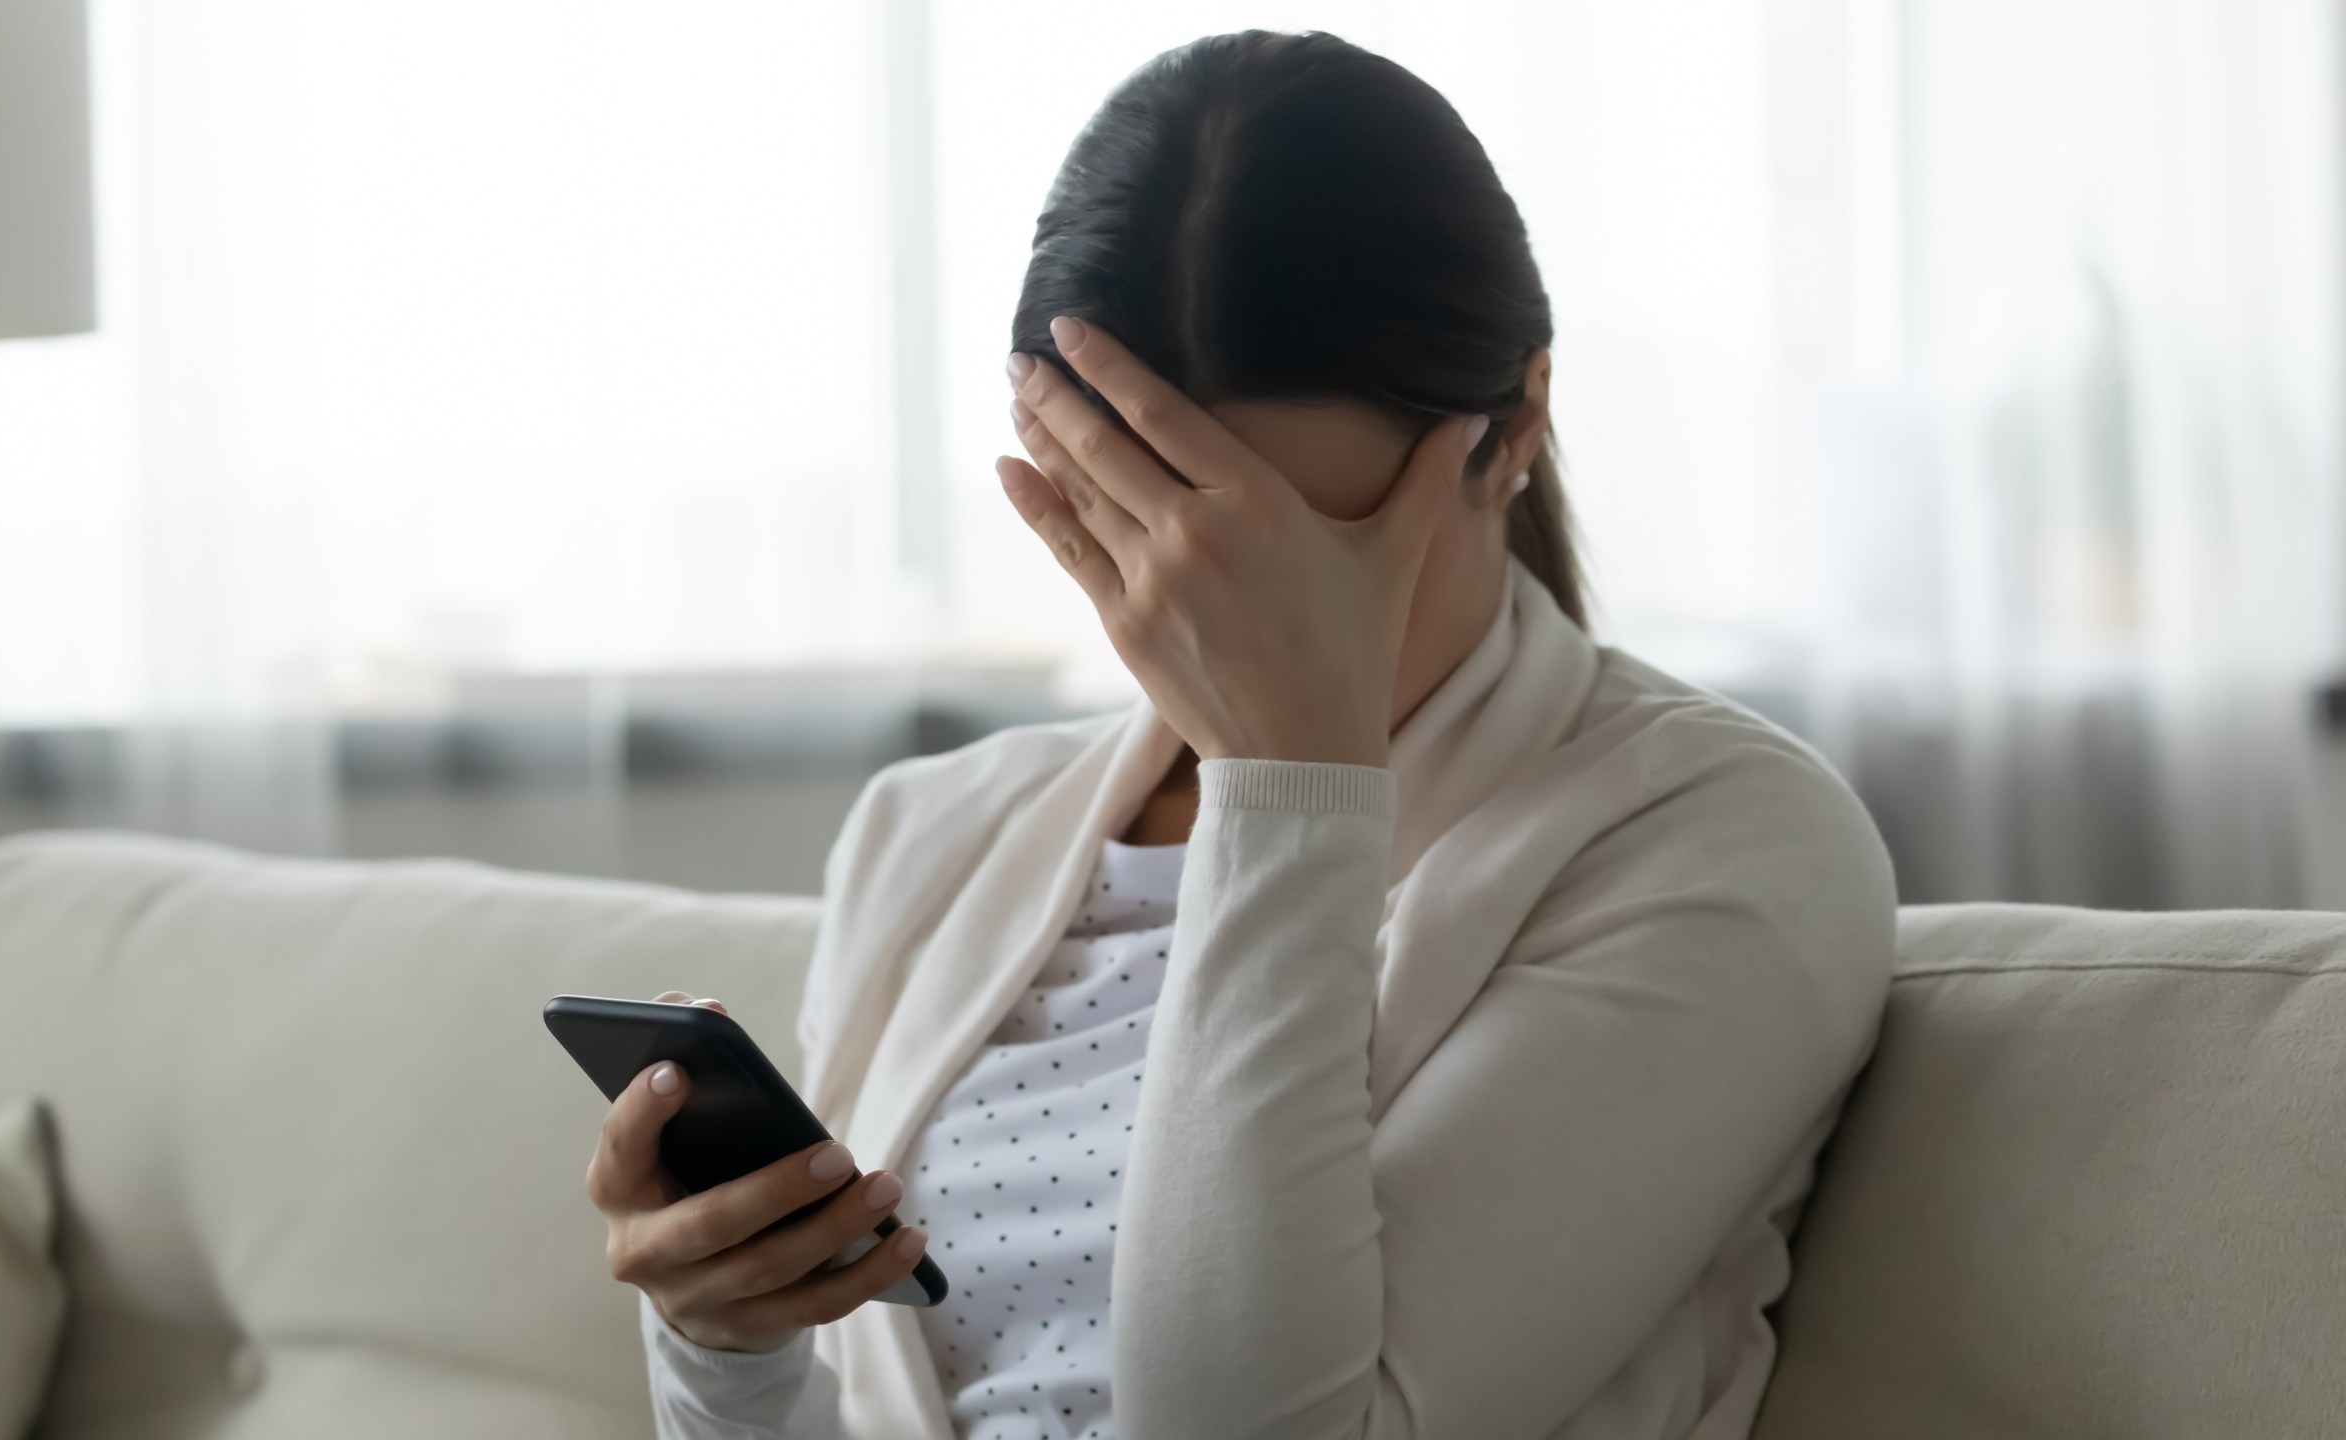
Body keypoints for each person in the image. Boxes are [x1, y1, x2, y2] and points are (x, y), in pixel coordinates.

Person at [585, 29, 1895, 1440]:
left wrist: (1293, 789)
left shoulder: (1724, 837)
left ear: (1512, 425)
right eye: (1154, 516)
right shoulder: (932, 833)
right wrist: (725, 1350)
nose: (1232, 594)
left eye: (1301, 537)